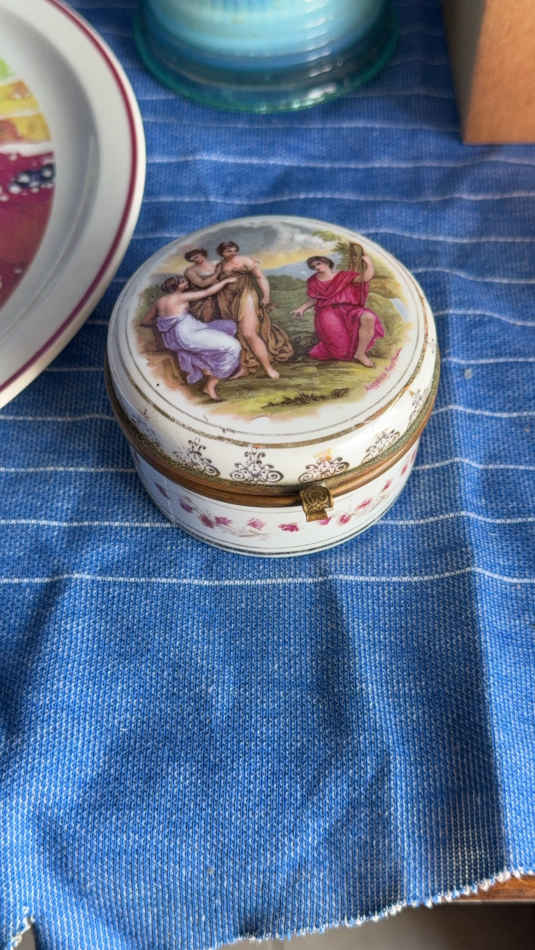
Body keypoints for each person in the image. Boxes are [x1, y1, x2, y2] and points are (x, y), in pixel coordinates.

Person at [141, 275, 244, 401]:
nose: (187, 283)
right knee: (233, 346)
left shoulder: (160, 301)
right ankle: (210, 384)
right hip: (188, 334)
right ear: (178, 286)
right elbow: (207, 292)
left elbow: (145, 321)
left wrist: (165, 324)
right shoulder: (181, 297)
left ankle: (215, 366)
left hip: (182, 333)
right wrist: (226, 281)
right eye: (183, 282)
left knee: (229, 326)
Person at [214, 241, 293, 379]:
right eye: (228, 251)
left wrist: (266, 296)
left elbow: (260, 277)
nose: (232, 253)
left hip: (246, 295)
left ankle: (268, 368)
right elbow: (213, 282)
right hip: (226, 299)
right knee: (236, 334)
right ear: (221, 253)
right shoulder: (220, 266)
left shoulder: (245, 260)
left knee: (248, 333)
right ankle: (245, 367)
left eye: (234, 250)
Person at [291, 253, 384, 367]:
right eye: (313, 266)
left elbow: (364, 278)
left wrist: (369, 264)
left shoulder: (344, 276)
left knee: (369, 317)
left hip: (349, 308)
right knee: (340, 351)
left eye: (318, 264)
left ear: (326, 262)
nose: (316, 267)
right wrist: (302, 308)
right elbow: (315, 299)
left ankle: (360, 354)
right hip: (327, 311)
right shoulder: (313, 281)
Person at [183, 248, 219, 323]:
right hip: (204, 294)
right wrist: (217, 274)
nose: (195, 260)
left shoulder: (215, 264)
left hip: (220, 288)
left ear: (203, 254)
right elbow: (202, 284)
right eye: (192, 259)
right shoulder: (190, 271)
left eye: (196, 257)